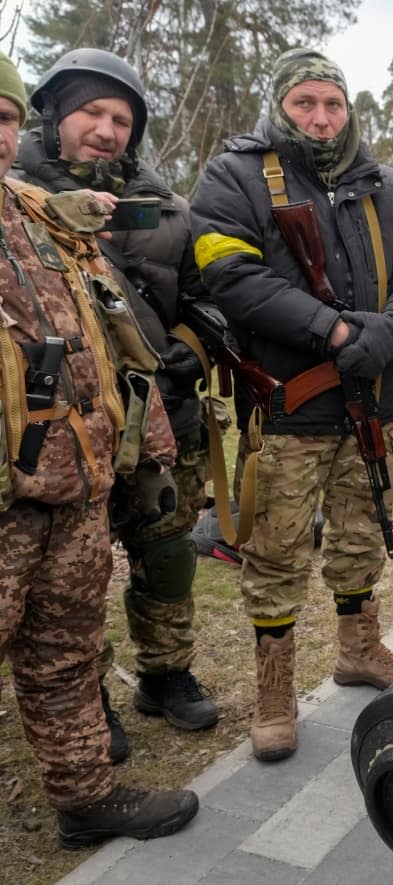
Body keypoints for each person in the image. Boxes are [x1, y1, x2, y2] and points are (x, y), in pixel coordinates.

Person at [191, 48, 393, 762]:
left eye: (333, 104)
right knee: (274, 551)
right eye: (306, 103)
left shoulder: (386, 183)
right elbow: (228, 274)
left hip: (373, 405)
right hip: (290, 410)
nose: (322, 118)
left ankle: (359, 649)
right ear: (281, 106)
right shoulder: (236, 176)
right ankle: (275, 692)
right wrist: (330, 329)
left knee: (363, 534)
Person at [0, 50, 199, 846]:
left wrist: (145, 449)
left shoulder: (40, 216)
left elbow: (107, 340)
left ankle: (85, 796)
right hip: (8, 501)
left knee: (64, 656)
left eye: (5, 119)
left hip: (73, 486)